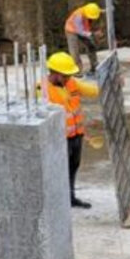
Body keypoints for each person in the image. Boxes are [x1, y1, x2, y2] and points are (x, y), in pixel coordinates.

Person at [44, 52, 100, 209]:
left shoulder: (72, 83)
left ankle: (70, 197)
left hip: (76, 136)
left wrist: (111, 83)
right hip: (58, 139)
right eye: (64, 75)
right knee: (58, 170)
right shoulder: (41, 90)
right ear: (54, 73)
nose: (68, 78)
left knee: (73, 167)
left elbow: (93, 90)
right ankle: (58, 201)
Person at [65, 2, 102, 76]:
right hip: (71, 30)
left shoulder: (89, 10)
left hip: (83, 30)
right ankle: (77, 71)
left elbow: (98, 11)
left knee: (91, 46)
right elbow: (80, 31)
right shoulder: (78, 16)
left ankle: (94, 66)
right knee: (74, 51)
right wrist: (93, 34)